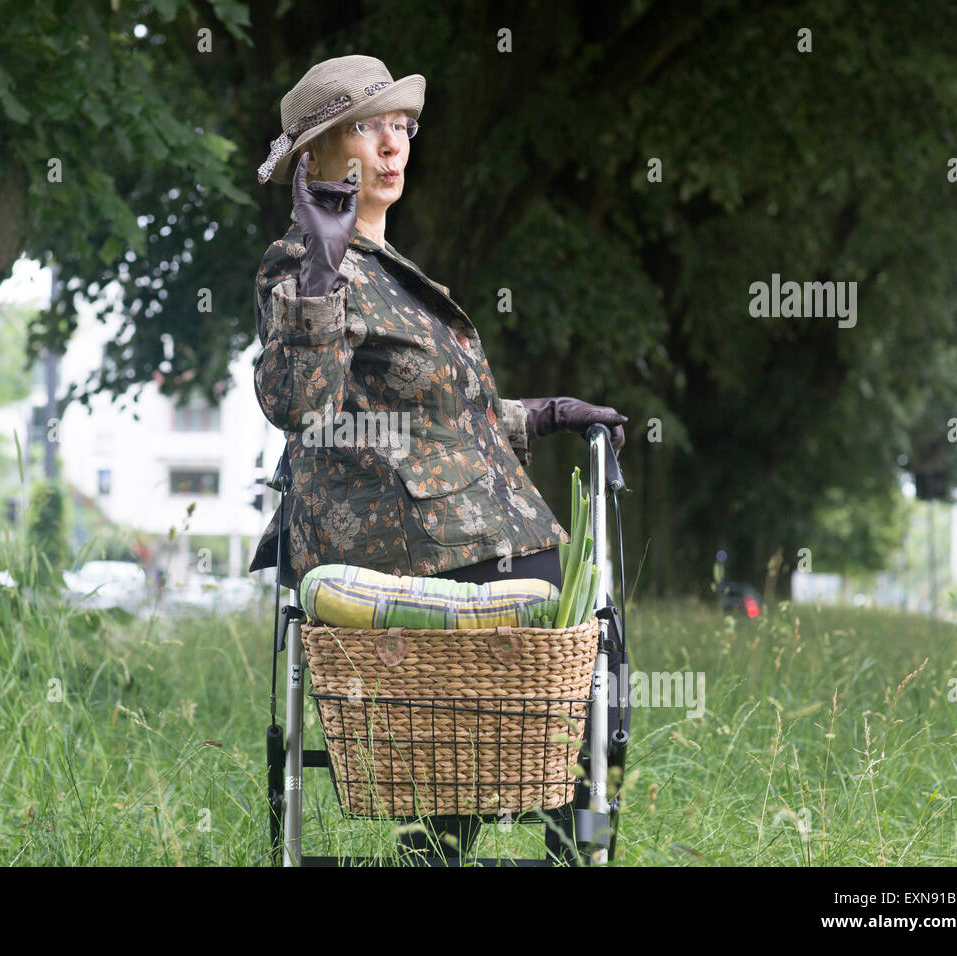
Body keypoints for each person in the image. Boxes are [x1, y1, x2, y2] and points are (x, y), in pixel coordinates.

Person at [249, 55, 628, 864]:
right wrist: (319, 269)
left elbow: (446, 420)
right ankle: (473, 832)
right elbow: (298, 405)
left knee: (590, 645)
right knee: (571, 642)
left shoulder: (391, 271)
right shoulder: (304, 267)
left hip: (468, 528)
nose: (393, 145)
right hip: (397, 547)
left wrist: (549, 413)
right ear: (315, 157)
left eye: (403, 126)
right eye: (366, 127)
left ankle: (498, 836)